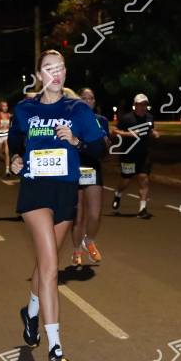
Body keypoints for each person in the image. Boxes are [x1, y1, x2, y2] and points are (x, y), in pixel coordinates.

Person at [9, 49, 107, 361]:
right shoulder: (25, 108)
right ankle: (55, 349)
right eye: (48, 68)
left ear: (65, 72)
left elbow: (100, 148)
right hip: (35, 190)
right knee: (50, 266)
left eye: (60, 68)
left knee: (44, 262)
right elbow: (15, 140)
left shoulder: (77, 109)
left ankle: (31, 313)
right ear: (39, 75)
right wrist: (15, 158)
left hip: (64, 192)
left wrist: (77, 141)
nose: (55, 73)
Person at [71, 87, 110, 265]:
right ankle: (76, 250)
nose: (88, 101)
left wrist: (106, 144)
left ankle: (89, 241)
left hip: (93, 168)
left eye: (91, 98)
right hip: (75, 168)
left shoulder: (101, 121)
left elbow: (104, 149)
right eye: (84, 98)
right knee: (78, 216)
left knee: (95, 214)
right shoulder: (71, 119)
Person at [111, 94, 160, 218]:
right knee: (126, 180)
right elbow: (114, 131)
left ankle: (142, 209)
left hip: (144, 154)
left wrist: (154, 133)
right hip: (128, 154)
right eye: (139, 104)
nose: (142, 107)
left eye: (144, 104)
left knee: (144, 179)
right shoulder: (127, 118)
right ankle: (118, 194)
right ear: (135, 105)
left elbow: (150, 130)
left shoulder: (149, 118)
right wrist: (128, 134)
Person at [0, 101, 12, 177]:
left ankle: (7, 170)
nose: (5, 107)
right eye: (3, 106)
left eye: (6, 106)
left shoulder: (8, 115)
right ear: (1, 107)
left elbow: (11, 124)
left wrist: (9, 126)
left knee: (7, 152)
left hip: (6, 135)